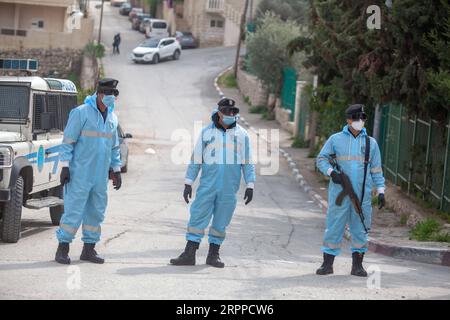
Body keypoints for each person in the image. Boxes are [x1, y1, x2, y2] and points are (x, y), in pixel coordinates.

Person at [170, 97, 256, 268]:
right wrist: (188, 182)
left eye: (233, 112)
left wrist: (250, 184)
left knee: (221, 220)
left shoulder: (242, 135)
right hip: (208, 185)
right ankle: (189, 254)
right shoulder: (207, 133)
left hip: (229, 188)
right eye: (226, 111)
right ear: (219, 112)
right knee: (198, 216)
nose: (230, 114)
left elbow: (247, 162)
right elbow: (196, 159)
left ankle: (213, 254)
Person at [55, 78, 122, 265]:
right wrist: (65, 167)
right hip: (80, 174)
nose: (111, 97)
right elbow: (68, 142)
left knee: (96, 212)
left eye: (113, 94)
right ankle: (63, 248)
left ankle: (89, 250)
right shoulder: (80, 113)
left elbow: (114, 147)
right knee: (73, 211)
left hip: (100, 176)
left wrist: (116, 170)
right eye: (108, 93)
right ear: (99, 93)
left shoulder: (113, 118)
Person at [315, 104, 386, 277]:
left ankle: (357, 266)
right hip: (340, 193)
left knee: (360, 229)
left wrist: (381, 190)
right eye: (356, 119)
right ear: (348, 120)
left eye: (362, 119)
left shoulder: (371, 143)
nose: (359, 122)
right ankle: (327, 264)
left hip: (362, 196)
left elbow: (376, 169)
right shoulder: (335, 139)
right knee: (334, 227)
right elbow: (321, 159)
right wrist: (332, 173)